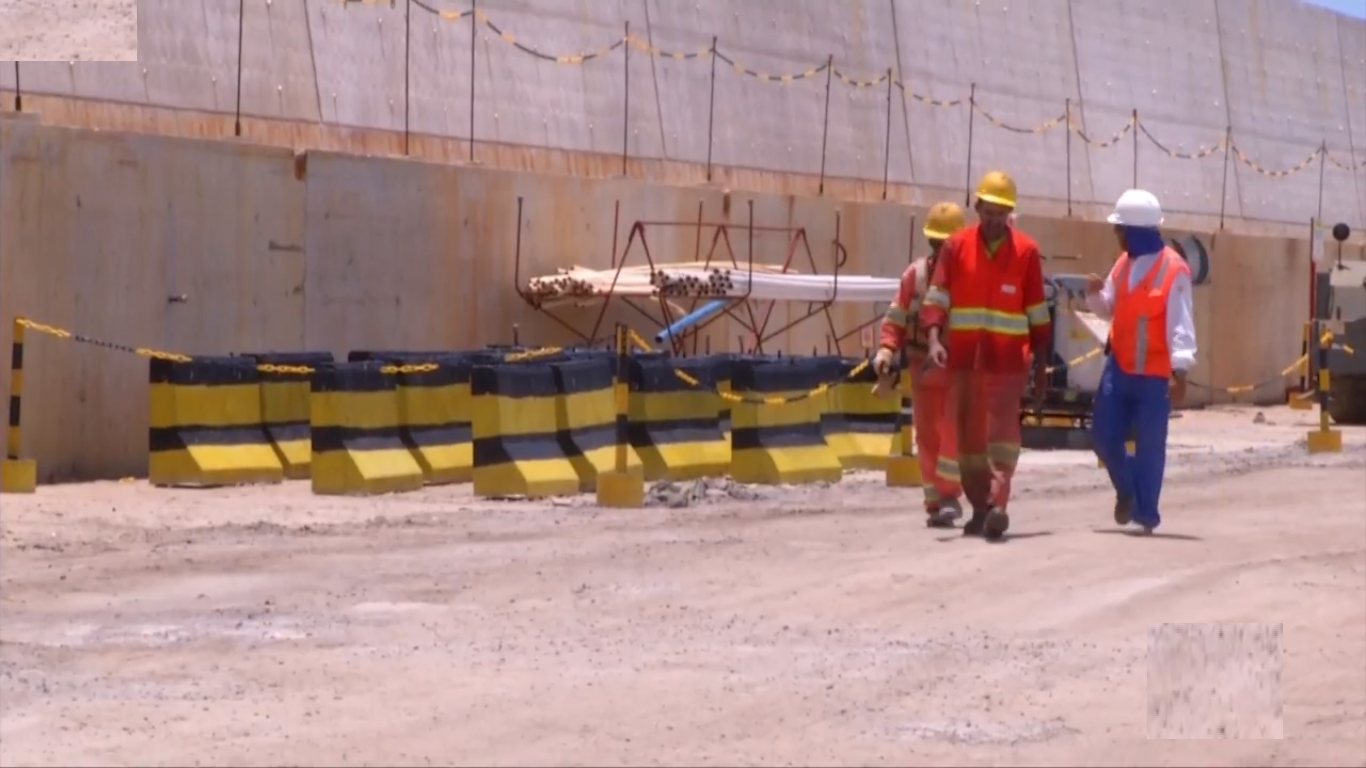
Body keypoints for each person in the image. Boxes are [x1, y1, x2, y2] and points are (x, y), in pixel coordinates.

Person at [919, 171, 1052, 540]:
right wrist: (934, 340)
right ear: (976, 207)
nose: (994, 220)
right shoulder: (956, 247)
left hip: (1008, 364)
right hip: (965, 362)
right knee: (968, 442)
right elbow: (938, 297)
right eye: (988, 211)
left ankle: (997, 505)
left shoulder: (1025, 252)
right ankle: (980, 507)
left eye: (1001, 213)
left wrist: (1042, 367)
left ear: (1010, 213)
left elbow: (1038, 313)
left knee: (1002, 439)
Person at [1085, 189, 1196, 533]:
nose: (1116, 235)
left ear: (1136, 231)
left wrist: (1181, 370)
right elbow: (1109, 308)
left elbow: (1181, 322)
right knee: (1103, 436)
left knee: (1150, 447)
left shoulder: (1174, 269)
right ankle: (1127, 489)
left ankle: (1146, 512)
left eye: (1120, 230)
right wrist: (1093, 294)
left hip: (1154, 377)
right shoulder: (1123, 263)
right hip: (1119, 368)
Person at [874, 202, 968, 528]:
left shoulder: (970, 279)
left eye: (948, 244)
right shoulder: (916, 276)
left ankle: (949, 494)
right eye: (938, 243)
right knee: (927, 437)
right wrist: (887, 349)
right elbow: (897, 316)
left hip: (960, 370)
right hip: (923, 368)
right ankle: (934, 502)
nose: (942, 249)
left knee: (954, 433)